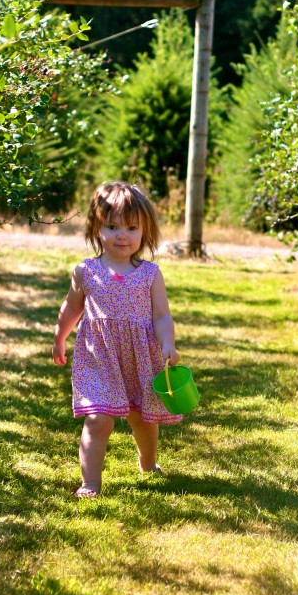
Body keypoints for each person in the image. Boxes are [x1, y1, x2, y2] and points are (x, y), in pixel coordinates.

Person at [52, 181, 181, 498]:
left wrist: (168, 343)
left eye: (131, 227)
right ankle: (90, 483)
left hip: (139, 355)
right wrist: (60, 337)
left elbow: (161, 316)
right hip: (99, 357)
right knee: (97, 420)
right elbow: (72, 307)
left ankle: (148, 463)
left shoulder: (150, 273)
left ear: (144, 231)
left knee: (143, 417)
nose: (122, 235)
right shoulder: (86, 271)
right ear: (97, 228)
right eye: (112, 226)